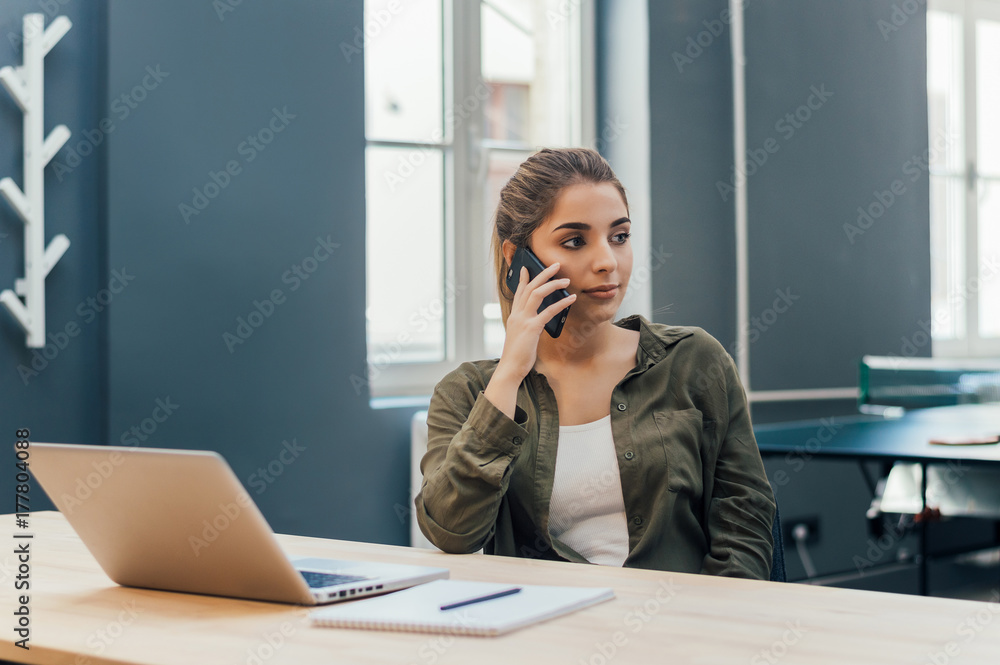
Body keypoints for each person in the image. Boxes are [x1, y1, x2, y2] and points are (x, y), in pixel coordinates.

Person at [414, 147, 775, 579]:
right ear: (517, 260)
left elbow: (745, 523)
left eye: (619, 236)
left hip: (678, 633)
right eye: (575, 241)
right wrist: (510, 373)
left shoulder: (694, 361)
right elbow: (452, 531)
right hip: (543, 633)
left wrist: (707, 631)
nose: (607, 261)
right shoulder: (471, 392)